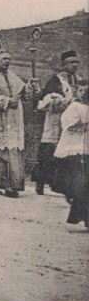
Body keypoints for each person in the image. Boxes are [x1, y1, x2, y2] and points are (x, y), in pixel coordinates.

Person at [0, 36, 39, 197]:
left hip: (12, 121)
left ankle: (11, 186)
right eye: (4, 58)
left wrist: (31, 86)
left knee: (12, 151)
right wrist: (7, 101)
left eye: (9, 59)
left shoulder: (12, 76)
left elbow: (26, 97)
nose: (7, 62)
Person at [33, 50, 83, 194]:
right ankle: (41, 181)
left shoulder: (79, 80)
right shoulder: (56, 80)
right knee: (50, 151)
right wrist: (71, 102)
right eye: (71, 62)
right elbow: (50, 101)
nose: (75, 65)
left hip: (73, 122)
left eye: (76, 62)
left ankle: (66, 185)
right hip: (56, 120)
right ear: (63, 65)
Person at [52, 85, 88, 229]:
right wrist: (85, 127)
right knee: (82, 185)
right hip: (75, 149)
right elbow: (68, 124)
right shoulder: (75, 107)